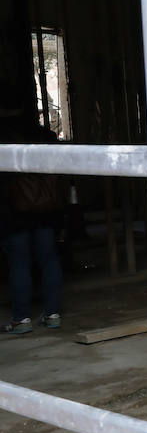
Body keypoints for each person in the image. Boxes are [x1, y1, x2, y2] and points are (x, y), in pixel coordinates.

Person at [1, 98, 64, 335]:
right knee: (49, 258)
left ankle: (22, 319)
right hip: (46, 208)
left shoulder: (3, 136)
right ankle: (53, 314)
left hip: (13, 210)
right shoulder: (45, 135)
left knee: (19, 261)